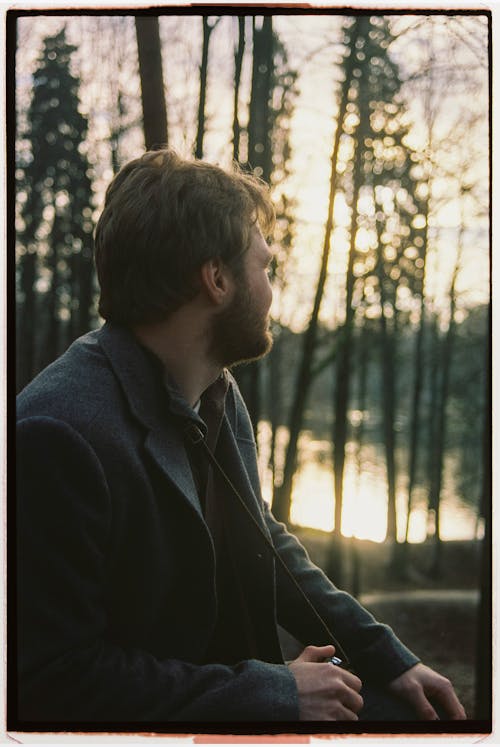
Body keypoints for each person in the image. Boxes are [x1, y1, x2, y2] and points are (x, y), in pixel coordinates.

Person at [16, 149, 466, 725]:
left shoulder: (213, 389)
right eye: (266, 267)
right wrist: (273, 693)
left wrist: (385, 657)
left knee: (417, 716)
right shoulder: (55, 435)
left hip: (228, 702)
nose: (274, 290)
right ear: (218, 278)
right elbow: (52, 680)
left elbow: (260, 536)